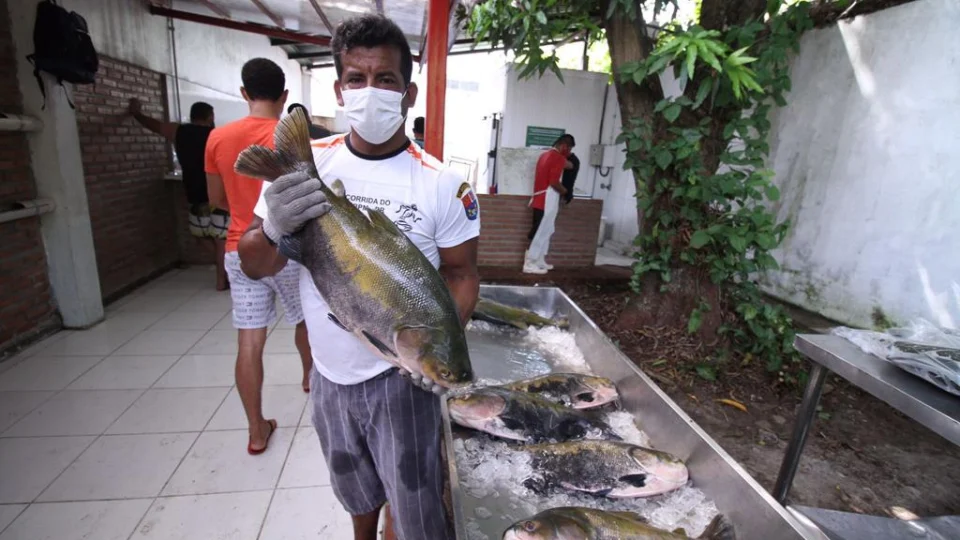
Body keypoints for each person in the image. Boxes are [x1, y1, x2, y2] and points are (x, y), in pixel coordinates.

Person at [238, 14, 480, 540]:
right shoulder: (308, 167)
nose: (371, 91)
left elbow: (462, 274)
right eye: (357, 78)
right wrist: (276, 226)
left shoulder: (442, 183)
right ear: (340, 89)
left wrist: (440, 344)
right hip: (329, 372)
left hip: (400, 380)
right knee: (352, 485)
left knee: (415, 502)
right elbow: (254, 263)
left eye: (386, 79)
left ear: (408, 92)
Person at [204, 58, 313, 455]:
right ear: (284, 97)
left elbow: (215, 199)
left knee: (249, 341)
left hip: (238, 248)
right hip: (288, 249)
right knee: (305, 320)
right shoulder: (293, 139)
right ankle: (308, 380)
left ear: (244, 93)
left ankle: (256, 430)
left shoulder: (217, 137)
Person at [127, 98, 229, 290]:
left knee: (200, 235)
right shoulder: (217, 135)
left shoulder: (179, 132)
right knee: (220, 238)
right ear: (210, 117)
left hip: (194, 193)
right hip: (218, 193)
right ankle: (222, 275)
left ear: (192, 117)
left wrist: (137, 114)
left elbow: (155, 126)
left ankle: (221, 273)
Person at [525, 134, 575, 274]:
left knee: (546, 230)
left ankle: (539, 259)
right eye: (569, 149)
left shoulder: (545, 155)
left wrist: (569, 164)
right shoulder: (557, 157)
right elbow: (554, 182)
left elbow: (567, 166)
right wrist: (566, 192)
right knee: (540, 231)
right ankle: (529, 263)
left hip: (540, 198)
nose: (569, 153)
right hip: (546, 199)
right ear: (564, 146)